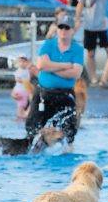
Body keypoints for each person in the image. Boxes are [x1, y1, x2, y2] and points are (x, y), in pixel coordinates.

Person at [25, 14, 84, 147]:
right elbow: (41, 65)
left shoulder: (77, 49)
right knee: (32, 128)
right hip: (43, 94)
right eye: (61, 27)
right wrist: (66, 65)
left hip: (65, 94)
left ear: (73, 30)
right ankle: (32, 152)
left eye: (67, 28)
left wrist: (51, 67)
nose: (63, 31)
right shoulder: (48, 44)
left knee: (69, 130)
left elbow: (76, 73)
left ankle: (67, 152)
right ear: (57, 29)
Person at [74, 0, 108, 85]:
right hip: (89, 24)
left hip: (105, 25)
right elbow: (80, 3)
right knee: (90, 53)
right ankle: (93, 78)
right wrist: (77, 18)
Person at [11, 55, 33, 119]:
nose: (22, 63)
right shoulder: (19, 71)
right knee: (21, 104)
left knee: (24, 103)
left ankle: (23, 114)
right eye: (20, 62)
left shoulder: (27, 71)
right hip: (20, 90)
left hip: (26, 91)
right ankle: (20, 115)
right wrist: (24, 81)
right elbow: (17, 80)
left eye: (24, 62)